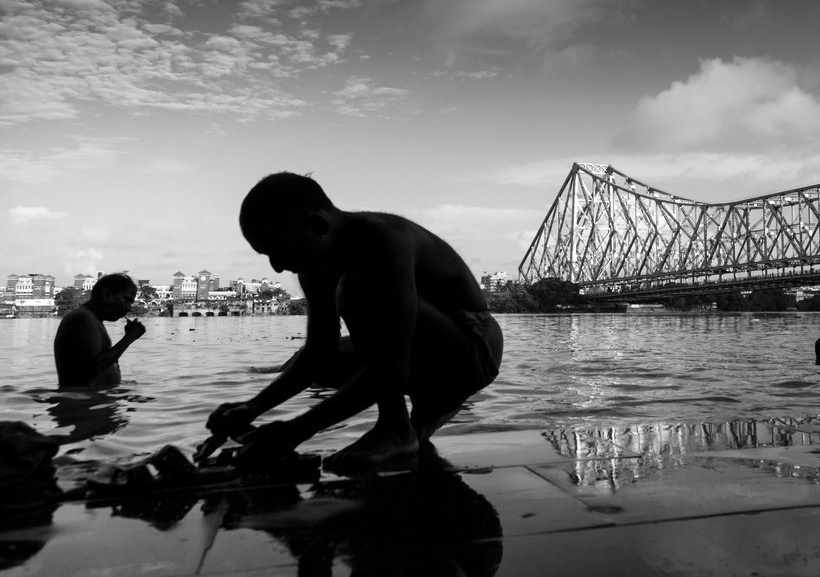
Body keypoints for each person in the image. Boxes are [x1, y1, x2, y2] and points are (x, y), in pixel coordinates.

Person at [207, 172, 503, 476]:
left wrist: (294, 432)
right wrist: (253, 407)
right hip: (422, 349)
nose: (278, 266)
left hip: (473, 348)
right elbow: (319, 353)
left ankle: (395, 428)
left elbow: (391, 364)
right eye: (268, 256)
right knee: (309, 360)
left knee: (354, 290)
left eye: (281, 250)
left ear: (318, 225)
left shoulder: (384, 242)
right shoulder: (314, 266)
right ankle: (404, 425)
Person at [53, 273, 146, 387]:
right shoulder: (83, 318)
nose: (128, 308)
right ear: (107, 294)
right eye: (126, 300)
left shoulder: (92, 319)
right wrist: (129, 338)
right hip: (82, 401)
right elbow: (93, 367)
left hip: (93, 400)